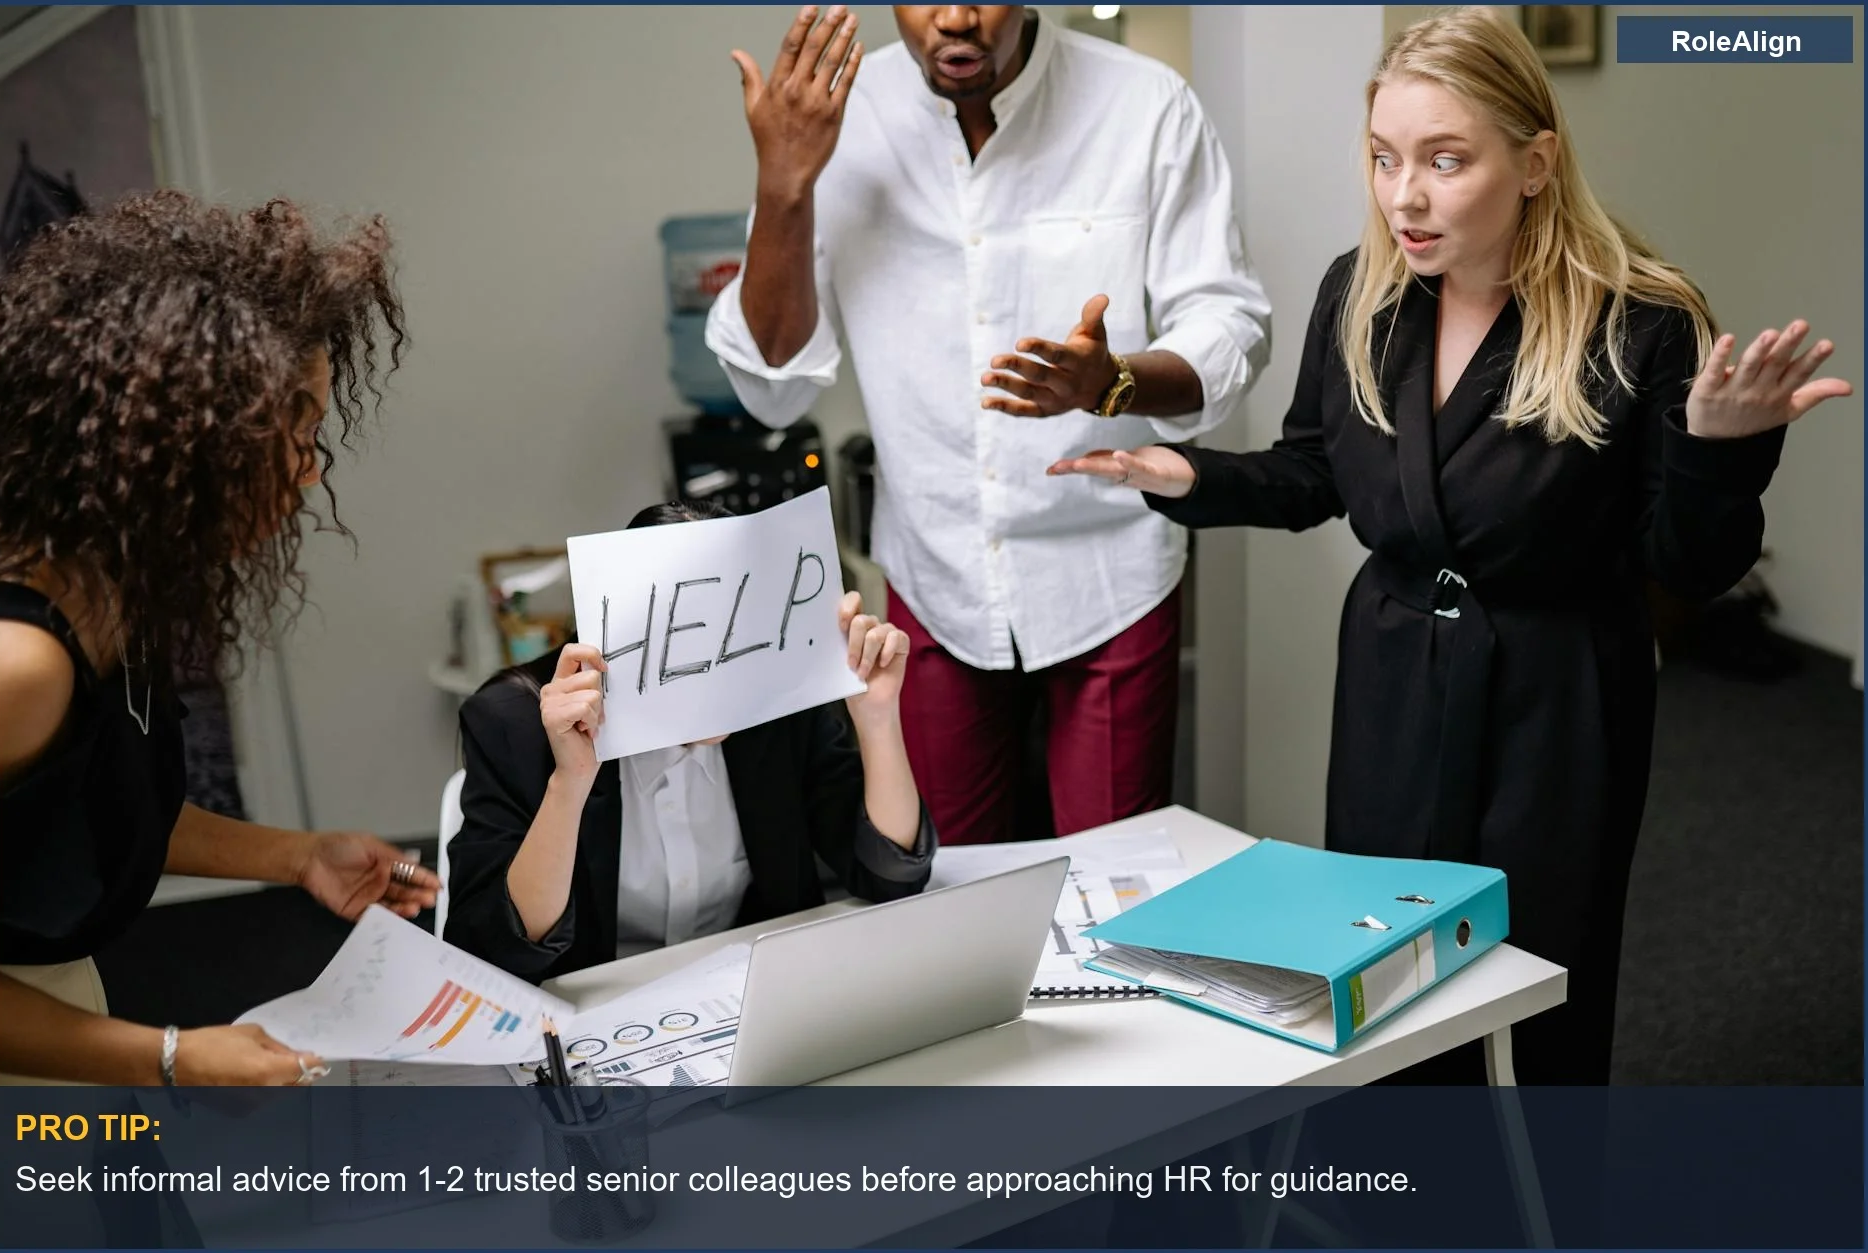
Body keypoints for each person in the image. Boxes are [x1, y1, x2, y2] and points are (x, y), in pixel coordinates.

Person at [1050, 8, 1852, 1084]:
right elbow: (1313, 471)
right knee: (1379, 971)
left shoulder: (1640, 322)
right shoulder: (1361, 293)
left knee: (1535, 987)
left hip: (1555, 697)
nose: (1403, 195)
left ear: (1533, 163)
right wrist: (1186, 473)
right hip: (1390, 679)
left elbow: (1688, 566)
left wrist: (1718, 452)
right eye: (1384, 159)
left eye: (1443, 159)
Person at [706, 5, 1271, 845]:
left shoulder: (1144, 106)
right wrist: (783, 185)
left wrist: (1113, 382)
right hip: (934, 578)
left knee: (1119, 889)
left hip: (1109, 574)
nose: (958, 16)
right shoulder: (840, 117)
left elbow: (1229, 328)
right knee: (947, 885)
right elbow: (772, 389)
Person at [0, 191, 435, 1086]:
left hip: (63, 1018)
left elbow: (85, 814)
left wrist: (296, 854)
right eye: (296, 434)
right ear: (183, 443)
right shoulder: (18, 663)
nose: (313, 473)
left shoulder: (116, 593)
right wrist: (174, 1055)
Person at [444, 500, 936, 982]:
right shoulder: (513, 720)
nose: (718, 662)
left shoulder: (781, 702)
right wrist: (569, 782)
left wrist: (877, 719)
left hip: (751, 993)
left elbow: (892, 876)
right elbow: (491, 955)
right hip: (589, 1007)